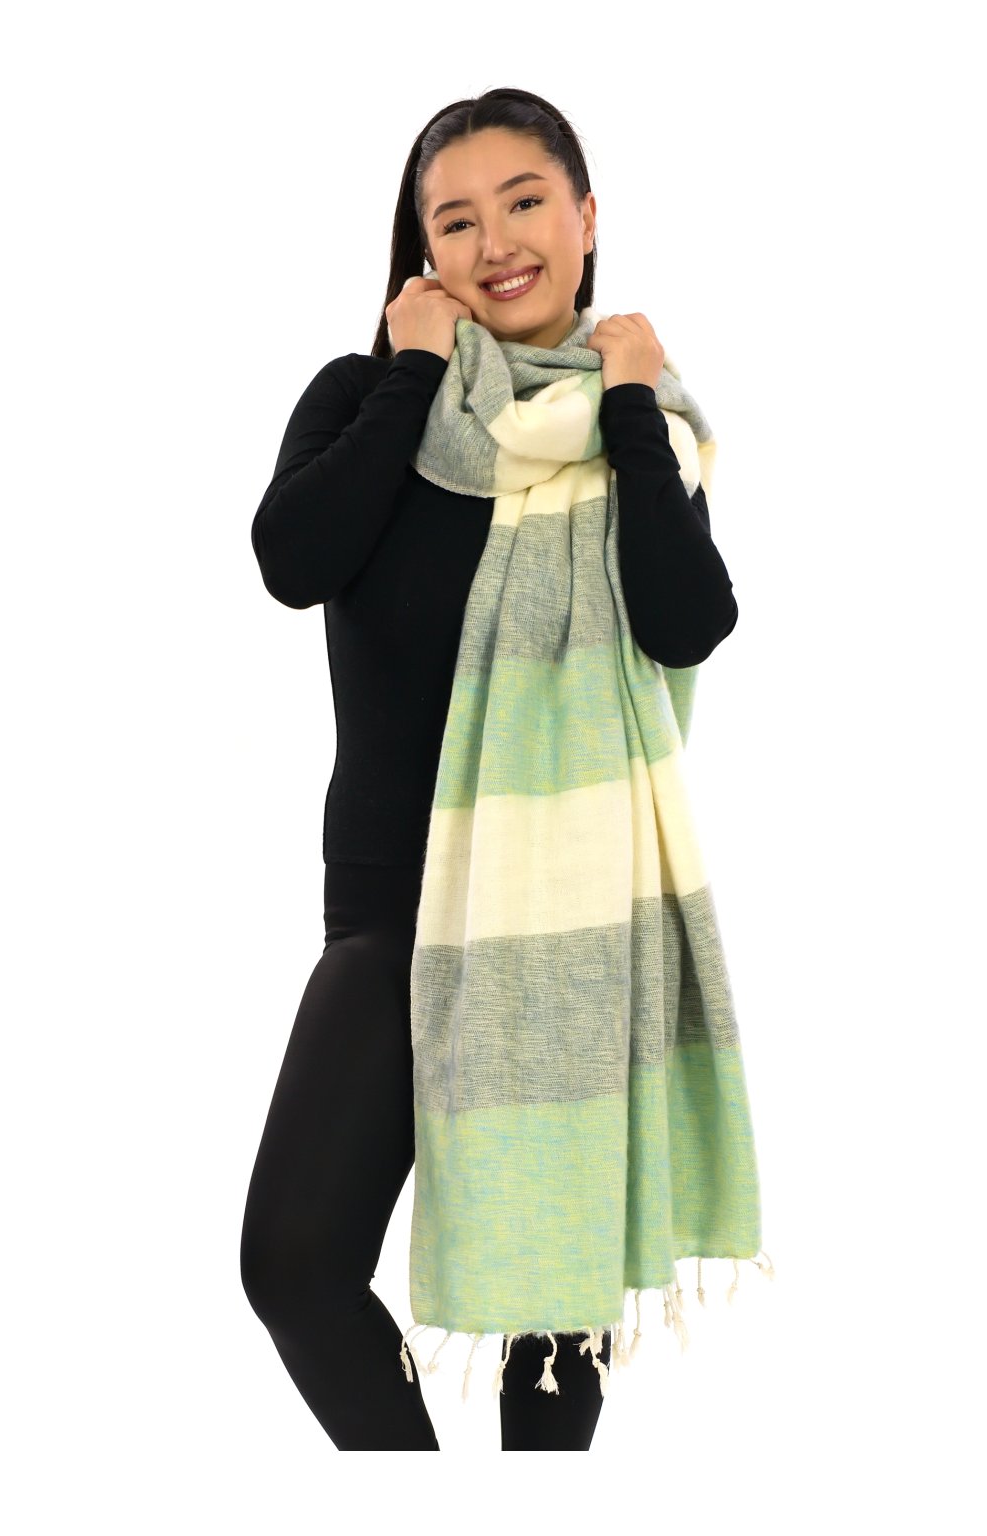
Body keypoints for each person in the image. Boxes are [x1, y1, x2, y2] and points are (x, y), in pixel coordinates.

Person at [240, 88, 738, 1453]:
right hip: (394, 912)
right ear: (422, 255)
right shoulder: (366, 402)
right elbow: (294, 559)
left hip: (573, 925)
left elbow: (687, 618)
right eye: (453, 221)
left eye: (525, 201)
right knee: (293, 1263)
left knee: (549, 1323)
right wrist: (412, 373)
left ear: (586, 217)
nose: (496, 241)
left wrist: (626, 398)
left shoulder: (638, 435)